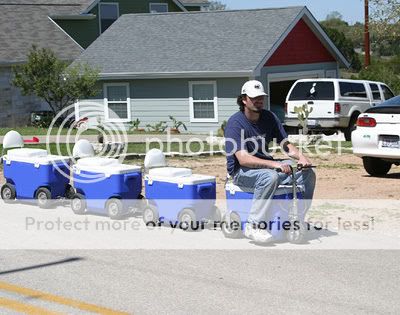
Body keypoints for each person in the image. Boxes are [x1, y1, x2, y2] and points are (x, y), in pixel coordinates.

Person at [224, 80, 316, 243]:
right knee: (270, 177)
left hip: (265, 168)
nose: (259, 100)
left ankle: (297, 219)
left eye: (261, 97)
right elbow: (243, 159)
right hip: (241, 172)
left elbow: (285, 145)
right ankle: (254, 225)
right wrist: (276, 165)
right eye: (254, 97)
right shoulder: (235, 123)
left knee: (308, 174)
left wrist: (302, 158)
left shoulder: (269, 117)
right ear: (244, 99)